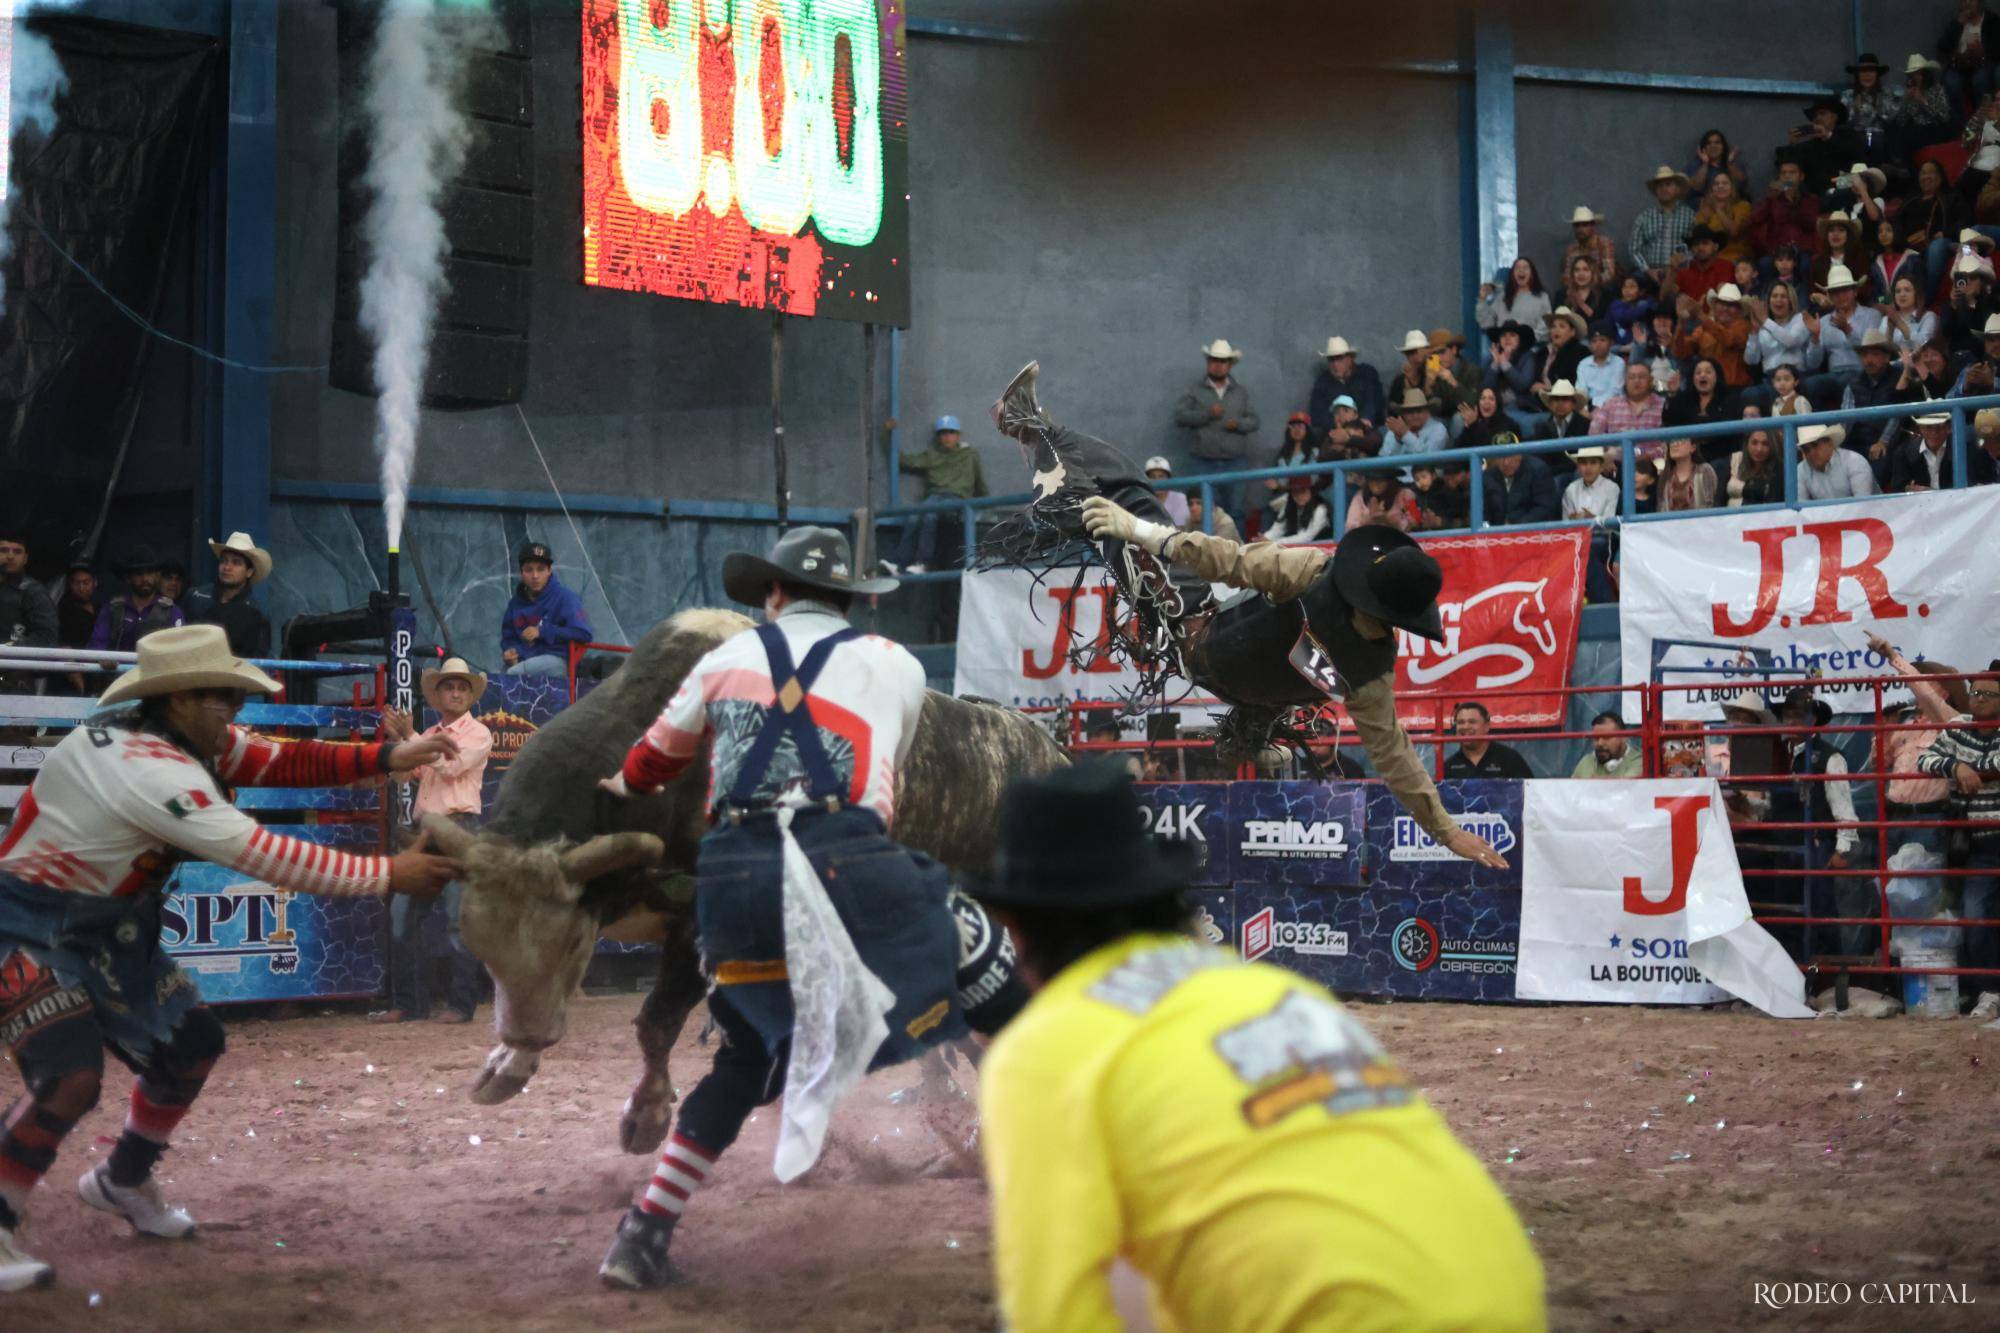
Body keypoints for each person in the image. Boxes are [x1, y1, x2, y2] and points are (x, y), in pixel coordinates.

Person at [594, 527, 1024, 1288]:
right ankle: (1084, 1154)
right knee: (991, 972)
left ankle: (643, 1233)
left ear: (773, 594)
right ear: (855, 601)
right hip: (847, 857)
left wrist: (622, 788)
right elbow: (883, 760)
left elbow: (649, 764)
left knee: (746, 1054)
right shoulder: (897, 664)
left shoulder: (721, 660)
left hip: (735, 877)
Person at [972, 764, 1546, 1333]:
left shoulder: (1047, 1045)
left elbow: (1052, 1313)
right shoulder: (1267, 988)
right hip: (1507, 1297)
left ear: (1014, 924)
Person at [0, 624, 461, 1289]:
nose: (233, 705)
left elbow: (281, 761)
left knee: (191, 1040)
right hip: (26, 921)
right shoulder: (149, 769)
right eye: (219, 693)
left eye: (232, 691)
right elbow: (265, 854)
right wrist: (390, 873)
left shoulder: (177, 736)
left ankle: (121, 1179)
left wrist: (390, 755)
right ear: (177, 698)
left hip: (105, 924)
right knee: (68, 1074)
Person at [1075, 492, 1510, 867]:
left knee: (1142, 550)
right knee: (1149, 556)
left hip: (1203, 645)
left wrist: (1140, 530)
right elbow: (1396, 757)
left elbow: (1230, 559)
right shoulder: (1369, 675)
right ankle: (1257, 734)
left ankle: (1110, 522)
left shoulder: (1311, 573)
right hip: (1248, 694)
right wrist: (1445, 830)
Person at [375, 658, 494, 1025]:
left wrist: (409, 739)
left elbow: (452, 765)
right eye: (449, 687)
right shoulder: (428, 734)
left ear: (470, 695)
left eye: (461, 687)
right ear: (439, 694)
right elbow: (403, 776)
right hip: (430, 831)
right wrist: (397, 744)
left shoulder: (479, 734)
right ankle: (410, 1003)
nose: (455, 692)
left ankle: (459, 1005)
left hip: (458, 828)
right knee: (402, 916)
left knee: (459, 922)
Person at [1915, 659, 2000, 995]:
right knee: (1975, 918)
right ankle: (1988, 992)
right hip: (1975, 841)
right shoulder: (1958, 726)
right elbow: (1925, 759)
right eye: (1976, 692)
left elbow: (1995, 765)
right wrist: (1956, 766)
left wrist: (1965, 767)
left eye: (1989, 694)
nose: (1979, 698)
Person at [1865, 631, 1963, 863]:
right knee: (1891, 886)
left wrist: (1892, 656)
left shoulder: (1951, 722)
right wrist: (1884, 731)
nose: (1918, 689)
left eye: (1926, 681)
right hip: (1896, 818)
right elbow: (1879, 765)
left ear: (1944, 693)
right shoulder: (1905, 726)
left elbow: (1927, 696)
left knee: (1925, 890)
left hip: (1930, 818)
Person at [1172, 340, 1260, 525]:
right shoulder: (1194, 390)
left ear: (1229, 364)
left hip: (1235, 461)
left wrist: (1238, 424)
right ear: (1208, 363)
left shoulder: (1240, 392)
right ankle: (1213, 554)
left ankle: (1239, 552)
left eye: (1223, 361)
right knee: (1208, 514)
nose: (1218, 365)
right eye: (1214, 360)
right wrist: (1207, 414)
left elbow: (1254, 421)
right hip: (1203, 462)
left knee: (1236, 512)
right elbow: (1180, 417)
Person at [888, 415, 989, 573]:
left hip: (956, 498)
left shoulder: (970, 454)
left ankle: (923, 562)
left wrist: (984, 505)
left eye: (951, 432)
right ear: (938, 437)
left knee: (930, 515)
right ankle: (898, 564)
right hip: (934, 497)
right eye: (942, 433)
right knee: (914, 517)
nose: (947, 437)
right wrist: (888, 434)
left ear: (958, 435)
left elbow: (980, 483)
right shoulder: (932, 454)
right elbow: (904, 461)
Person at [499, 541, 592, 678]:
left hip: (558, 660)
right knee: (494, 682)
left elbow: (583, 633)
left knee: (512, 676)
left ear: (549, 571)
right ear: (521, 573)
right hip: (525, 661)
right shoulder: (515, 604)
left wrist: (542, 631)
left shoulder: (565, 597)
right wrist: (511, 652)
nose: (535, 576)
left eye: (541, 569)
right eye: (529, 570)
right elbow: (509, 638)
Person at [181, 532, 271, 661]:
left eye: (236, 563)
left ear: (249, 572)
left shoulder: (257, 612)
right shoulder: (196, 597)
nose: (227, 567)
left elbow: (259, 659)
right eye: (223, 561)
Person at [1804, 264, 1884, 407]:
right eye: (1835, 292)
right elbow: (1812, 364)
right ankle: (1821, 428)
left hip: (1863, 371)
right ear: (1830, 296)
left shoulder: (1872, 315)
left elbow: (1871, 350)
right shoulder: (1823, 321)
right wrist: (1815, 338)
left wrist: (1848, 330)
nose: (1841, 296)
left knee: (1846, 380)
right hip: (1834, 373)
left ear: (1855, 292)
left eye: (1845, 290)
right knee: (1810, 384)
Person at [1840, 328, 1916, 469]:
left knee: (1881, 458)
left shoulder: (1899, 378)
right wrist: (1837, 443)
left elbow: (1896, 416)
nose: (1869, 360)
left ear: (1887, 357)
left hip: (1886, 442)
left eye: (1875, 355)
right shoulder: (1853, 383)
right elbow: (1846, 418)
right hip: (1856, 443)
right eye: (1865, 355)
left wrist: (1883, 442)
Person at [85, 548, 184, 654]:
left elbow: (180, 650)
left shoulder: (172, 611)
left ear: (157, 576)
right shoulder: (113, 608)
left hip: (155, 669)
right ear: (128, 578)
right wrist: (104, 659)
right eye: (139, 574)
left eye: (150, 573)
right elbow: (97, 645)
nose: (145, 579)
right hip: (118, 670)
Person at [1671, 289, 1752, 390]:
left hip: (1734, 388)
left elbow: (1729, 340)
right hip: (1708, 388)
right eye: (1721, 304)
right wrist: (1681, 323)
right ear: (1714, 307)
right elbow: (1680, 352)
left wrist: (1700, 314)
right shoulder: (1704, 329)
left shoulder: (1744, 326)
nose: (1725, 309)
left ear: (1739, 311)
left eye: (1731, 306)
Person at [1902, 159, 1964, 288]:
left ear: (1941, 177)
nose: (1926, 177)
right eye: (1923, 173)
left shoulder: (1952, 197)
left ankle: (1926, 298)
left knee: (1937, 246)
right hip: (1912, 244)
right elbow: (1896, 222)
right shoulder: (1911, 199)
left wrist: (1946, 232)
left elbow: (1966, 223)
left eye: (1931, 173)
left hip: (1942, 242)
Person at [1630, 166, 1695, 286]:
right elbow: (1634, 250)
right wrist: (1648, 270)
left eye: (1668, 184)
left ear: (1677, 188)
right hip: (1650, 274)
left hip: (1681, 274)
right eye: (1660, 186)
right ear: (1655, 192)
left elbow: (1697, 247)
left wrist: (1685, 259)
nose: (1664, 188)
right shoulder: (1644, 218)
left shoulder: (1690, 216)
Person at [1748, 283, 1818, 391]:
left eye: (1783, 296)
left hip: (1796, 377)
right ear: (1769, 301)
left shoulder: (1800, 319)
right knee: (1749, 394)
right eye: (1774, 296)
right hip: (1770, 379)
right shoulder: (1763, 326)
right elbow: (1751, 360)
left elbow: (1790, 341)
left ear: (1791, 301)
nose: (1778, 300)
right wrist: (1754, 331)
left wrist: (1765, 321)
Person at [1787, 95, 1862, 195]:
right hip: (1814, 195)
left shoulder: (1848, 135)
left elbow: (1852, 155)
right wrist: (1793, 145)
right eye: (1815, 116)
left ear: (1834, 117)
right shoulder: (1810, 144)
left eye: (1822, 113)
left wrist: (1828, 136)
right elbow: (1793, 168)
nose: (1818, 118)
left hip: (1843, 190)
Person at [1308, 335, 1384, 432]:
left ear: (1350, 359)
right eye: (1331, 360)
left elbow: (1374, 400)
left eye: (1340, 358)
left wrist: (1365, 419)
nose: (1335, 364)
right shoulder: (1322, 383)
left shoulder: (1367, 374)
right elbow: (1317, 414)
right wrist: (1338, 423)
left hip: (1367, 430)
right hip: (1336, 432)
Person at [0, 531, 57, 657]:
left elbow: (47, 637)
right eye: (3, 550)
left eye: (17, 552)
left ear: (25, 558)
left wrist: (11, 646)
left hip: (13, 667)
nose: (10, 556)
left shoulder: (33, 591)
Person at [1751, 158, 1821, 259]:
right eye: (1783, 173)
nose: (1787, 176)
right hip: (1778, 251)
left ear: (1801, 176)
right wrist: (1769, 199)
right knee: (1764, 264)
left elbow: (1810, 224)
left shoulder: (1810, 199)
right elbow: (1756, 218)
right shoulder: (1773, 199)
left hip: (1803, 249)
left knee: (1806, 262)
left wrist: (1793, 201)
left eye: (1792, 172)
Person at [1443, 701, 1533, 779]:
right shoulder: (1448, 766)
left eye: (1472, 722)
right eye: (1461, 722)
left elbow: (1530, 794)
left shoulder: (1510, 759)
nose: (1466, 727)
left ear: (1486, 726)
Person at [1940, 0, 2000, 115]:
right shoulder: (1957, 22)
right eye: (1964, 0)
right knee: (1950, 82)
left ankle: (1982, 119)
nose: (1967, 3)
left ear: (1979, 2)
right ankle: (1960, 122)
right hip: (1960, 65)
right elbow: (1943, 46)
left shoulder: (1991, 20)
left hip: (1984, 63)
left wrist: (1983, 51)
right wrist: (1958, 23)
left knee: (1980, 79)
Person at [1892, 54, 1956, 161]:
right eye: (1913, 75)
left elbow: (1943, 117)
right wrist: (1905, 101)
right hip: (1915, 129)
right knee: (1902, 132)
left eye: (1918, 74)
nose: (1916, 78)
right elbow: (1901, 121)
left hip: (1934, 128)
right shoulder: (1910, 92)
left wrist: (1923, 101)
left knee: (1917, 133)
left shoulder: (1937, 90)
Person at [1476, 258, 1551, 344]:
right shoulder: (1502, 297)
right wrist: (1482, 299)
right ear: (1512, 274)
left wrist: (1524, 340)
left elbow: (1545, 327)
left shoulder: (1542, 297)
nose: (1521, 270)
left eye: (1525, 268)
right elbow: (1487, 323)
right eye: (1517, 268)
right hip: (1504, 349)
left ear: (1532, 273)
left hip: (1530, 350)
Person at [1482, 443, 1559, 526]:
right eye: (1501, 457)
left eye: (1510, 456)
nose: (1506, 462)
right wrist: (1487, 530)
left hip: (1530, 530)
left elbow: (1544, 508)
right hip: (1496, 533)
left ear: (1520, 454)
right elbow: (1482, 512)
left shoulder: (1538, 470)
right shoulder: (1488, 476)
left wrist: (1516, 527)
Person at [1589, 360, 1666, 443]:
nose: (1636, 381)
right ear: (1625, 381)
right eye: (1632, 377)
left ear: (1650, 380)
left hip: (1655, 455)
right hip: (1618, 455)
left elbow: (1669, 441)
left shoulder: (1663, 405)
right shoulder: (1611, 405)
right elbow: (1594, 433)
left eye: (1642, 377)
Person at [1795, 423, 1877, 499]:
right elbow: (1800, 508)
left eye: (1815, 445)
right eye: (1806, 450)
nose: (1812, 453)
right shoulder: (1801, 470)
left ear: (1830, 443)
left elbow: (1862, 505)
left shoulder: (1855, 461)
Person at [1425, 328, 1483, 434]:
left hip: (1468, 419)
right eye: (1434, 354)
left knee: (1459, 418)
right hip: (1444, 418)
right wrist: (1429, 387)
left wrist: (1453, 382)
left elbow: (1473, 403)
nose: (1438, 357)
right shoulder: (1434, 372)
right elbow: (1436, 410)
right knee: (1428, 422)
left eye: (1442, 352)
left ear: (1454, 350)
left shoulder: (1471, 370)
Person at [1889, 411, 1962, 492]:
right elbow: (1897, 487)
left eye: (1939, 427)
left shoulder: (1963, 450)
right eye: (1928, 427)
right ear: (1920, 428)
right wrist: (1909, 489)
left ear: (1948, 428)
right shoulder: (1903, 452)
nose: (1934, 432)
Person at [1810, 211, 1874, 300]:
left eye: (1841, 230)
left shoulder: (1860, 259)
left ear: (1848, 235)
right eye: (1831, 230)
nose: (1835, 234)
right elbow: (1812, 291)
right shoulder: (1817, 262)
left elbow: (1867, 289)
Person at [1379, 388, 1448, 465]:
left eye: (1419, 411)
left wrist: (1405, 435)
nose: (1415, 415)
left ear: (1427, 412)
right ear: (1403, 414)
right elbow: (1384, 462)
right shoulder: (1394, 431)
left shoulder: (1438, 429)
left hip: (1427, 476)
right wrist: (1398, 442)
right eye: (1410, 411)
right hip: (1397, 476)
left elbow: (1428, 460)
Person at [1484, 323, 1539, 420]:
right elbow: (1487, 387)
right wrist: (1496, 363)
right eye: (1504, 335)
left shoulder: (1527, 357)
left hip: (1520, 406)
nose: (1507, 338)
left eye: (1512, 335)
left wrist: (1505, 364)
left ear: (1520, 340)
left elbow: (1523, 384)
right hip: (1496, 406)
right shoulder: (1493, 358)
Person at [1673, 226, 1735, 307]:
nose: (1700, 247)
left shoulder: (1726, 266)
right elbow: (1664, 296)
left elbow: (1725, 302)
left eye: (1705, 243)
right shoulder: (1685, 268)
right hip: (1686, 317)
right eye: (1696, 244)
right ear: (1691, 249)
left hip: (1715, 317)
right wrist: (1673, 270)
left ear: (1715, 246)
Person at [1881, 272, 1940, 355]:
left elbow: (1924, 344)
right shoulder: (1886, 319)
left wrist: (1900, 324)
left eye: (1907, 290)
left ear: (1916, 294)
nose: (1902, 294)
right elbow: (1881, 350)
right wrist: (1889, 332)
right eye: (1898, 291)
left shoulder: (1928, 316)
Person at [1345, 469, 1420, 534]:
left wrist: (1387, 520)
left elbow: (1415, 523)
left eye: (1381, 480)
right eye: (1373, 479)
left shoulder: (1406, 494)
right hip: (1367, 541)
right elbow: (1351, 527)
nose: (1376, 484)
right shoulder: (1360, 497)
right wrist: (1369, 519)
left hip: (1399, 542)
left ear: (1390, 481)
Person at [1264, 474, 1332, 545]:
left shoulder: (1320, 509)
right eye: (1295, 492)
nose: (1299, 496)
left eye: (1303, 491)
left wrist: (1274, 542)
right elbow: (1278, 529)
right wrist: (1265, 538)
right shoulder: (1289, 506)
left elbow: (1306, 537)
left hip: (1322, 550)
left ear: (1311, 491)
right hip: (1300, 549)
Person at [1572, 711, 1642, 779]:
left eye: (1606, 737)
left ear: (1623, 737)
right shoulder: (1586, 762)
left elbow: (1627, 786)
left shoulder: (1638, 760)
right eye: (1596, 738)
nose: (1600, 743)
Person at [1841, 54, 1895, 142]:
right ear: (1857, 75)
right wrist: (1855, 110)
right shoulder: (1847, 95)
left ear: (1877, 75)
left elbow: (1892, 119)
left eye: (1871, 71)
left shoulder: (1886, 94)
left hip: (1881, 142)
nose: (1867, 75)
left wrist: (1878, 105)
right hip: (1855, 142)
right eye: (1863, 71)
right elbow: (1842, 124)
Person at [1656, 437, 1719, 512]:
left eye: (1681, 440)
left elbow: (1710, 505)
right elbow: (1661, 508)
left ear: (1693, 447)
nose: (1675, 444)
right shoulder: (1666, 476)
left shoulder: (1704, 471)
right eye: (1672, 441)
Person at [1725, 427, 1783, 507]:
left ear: (1772, 446)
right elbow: (1719, 498)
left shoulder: (1779, 469)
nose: (1759, 449)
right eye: (1754, 443)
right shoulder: (1736, 460)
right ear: (1747, 443)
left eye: (1765, 444)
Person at [1686, 128, 1749, 200]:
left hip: (1730, 205)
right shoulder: (1695, 165)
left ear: (1723, 146)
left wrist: (1729, 163)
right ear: (1704, 148)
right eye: (1709, 143)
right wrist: (1705, 164)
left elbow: (1741, 184)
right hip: (1702, 207)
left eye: (1717, 142)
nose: (1713, 146)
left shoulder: (1734, 164)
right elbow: (1695, 187)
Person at [1574, 322, 1627, 408]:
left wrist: (1595, 406)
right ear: (1589, 345)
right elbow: (1581, 391)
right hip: (1588, 407)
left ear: (1611, 343)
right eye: (1594, 341)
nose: (1598, 344)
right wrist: (1587, 408)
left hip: (1612, 408)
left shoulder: (1618, 363)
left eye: (1602, 340)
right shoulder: (1583, 364)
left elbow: (1615, 391)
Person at [1562, 204, 1619, 284]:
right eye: (1577, 225)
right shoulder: (1572, 248)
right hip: (1578, 289)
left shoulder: (1603, 244)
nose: (1580, 229)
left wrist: (1588, 284)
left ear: (1592, 226)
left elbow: (1609, 274)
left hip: (1600, 287)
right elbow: (1567, 275)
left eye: (1584, 225)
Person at [1562, 446, 1619, 519]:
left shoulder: (1612, 488)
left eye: (1593, 463)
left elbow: (1611, 524)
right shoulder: (1571, 489)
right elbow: (1566, 522)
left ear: (1601, 467)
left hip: (1601, 531)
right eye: (1583, 463)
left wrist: (1592, 519)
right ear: (1578, 467)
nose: (1588, 467)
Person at [1319, 395, 1381, 461]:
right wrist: (1336, 451)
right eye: (1336, 412)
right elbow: (1321, 460)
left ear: (1355, 414)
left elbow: (1376, 443)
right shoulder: (1331, 436)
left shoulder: (1364, 427)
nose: (1340, 415)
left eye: (1346, 411)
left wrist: (1349, 440)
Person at [1557, 255, 1606, 327]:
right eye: (1577, 270)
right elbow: (1557, 321)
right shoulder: (1562, 294)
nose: (1581, 274)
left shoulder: (1603, 294)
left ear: (1593, 273)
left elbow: (1601, 321)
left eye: (1586, 269)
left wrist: (1581, 304)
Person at [1144, 455, 1190, 527]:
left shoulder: (1180, 499)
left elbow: (1180, 530)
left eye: (1161, 476)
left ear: (1168, 479)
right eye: (1152, 477)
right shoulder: (1143, 499)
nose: (1157, 481)